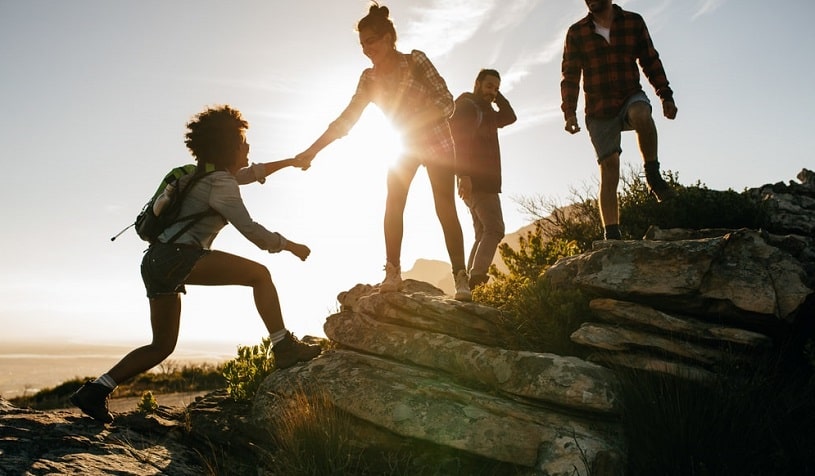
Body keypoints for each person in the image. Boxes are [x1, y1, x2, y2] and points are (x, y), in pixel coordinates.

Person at [71, 105, 321, 424]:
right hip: (178, 257)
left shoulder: (199, 174)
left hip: (156, 260)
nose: (248, 148)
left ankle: (95, 390)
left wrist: (289, 162)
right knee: (260, 275)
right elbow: (252, 231)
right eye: (244, 143)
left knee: (162, 346)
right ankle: (283, 346)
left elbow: (249, 174)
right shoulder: (221, 184)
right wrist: (289, 246)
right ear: (229, 147)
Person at [293, 3, 472, 302]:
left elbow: (446, 100)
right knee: (394, 203)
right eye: (362, 44)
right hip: (403, 144)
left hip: (436, 141)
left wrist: (419, 120)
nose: (366, 49)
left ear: (389, 37)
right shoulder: (369, 78)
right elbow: (346, 119)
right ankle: (393, 272)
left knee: (444, 207)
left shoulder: (416, 61)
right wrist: (312, 150)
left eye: (372, 41)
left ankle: (461, 277)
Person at [561, 0, 678, 240]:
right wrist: (569, 111)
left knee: (641, 113)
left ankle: (653, 175)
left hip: (629, 95)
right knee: (609, 168)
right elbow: (570, 75)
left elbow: (650, 60)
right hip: (598, 109)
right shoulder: (577, 32)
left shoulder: (633, 22)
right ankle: (612, 234)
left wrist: (665, 94)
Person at [450, 69, 516, 289]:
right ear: (477, 83)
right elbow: (460, 142)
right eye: (489, 86)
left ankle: (468, 283)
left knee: (482, 233)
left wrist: (497, 97)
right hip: (477, 179)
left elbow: (510, 117)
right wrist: (464, 175)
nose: (492, 92)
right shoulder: (469, 107)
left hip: (480, 180)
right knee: (495, 229)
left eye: (496, 88)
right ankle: (477, 278)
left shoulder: (486, 111)